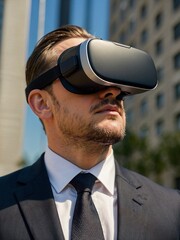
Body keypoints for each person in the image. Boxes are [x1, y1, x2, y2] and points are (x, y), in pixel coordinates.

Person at [0, 25, 179, 240]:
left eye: (114, 77)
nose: (111, 90)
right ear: (42, 103)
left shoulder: (173, 210)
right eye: (84, 76)